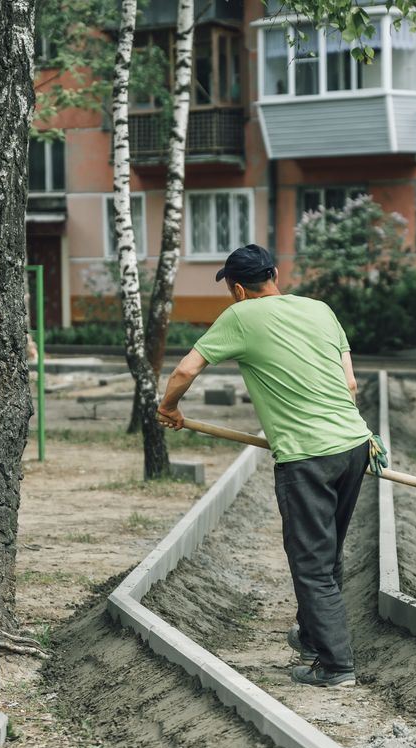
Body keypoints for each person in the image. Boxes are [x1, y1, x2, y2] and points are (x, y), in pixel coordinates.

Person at [157, 244, 371, 688]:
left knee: (311, 562)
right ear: (274, 273)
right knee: (326, 554)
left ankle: (336, 667)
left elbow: (184, 371)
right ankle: (313, 639)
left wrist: (169, 408)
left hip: (306, 456)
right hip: (354, 444)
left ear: (237, 288)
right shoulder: (320, 309)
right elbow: (350, 383)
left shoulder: (240, 316)